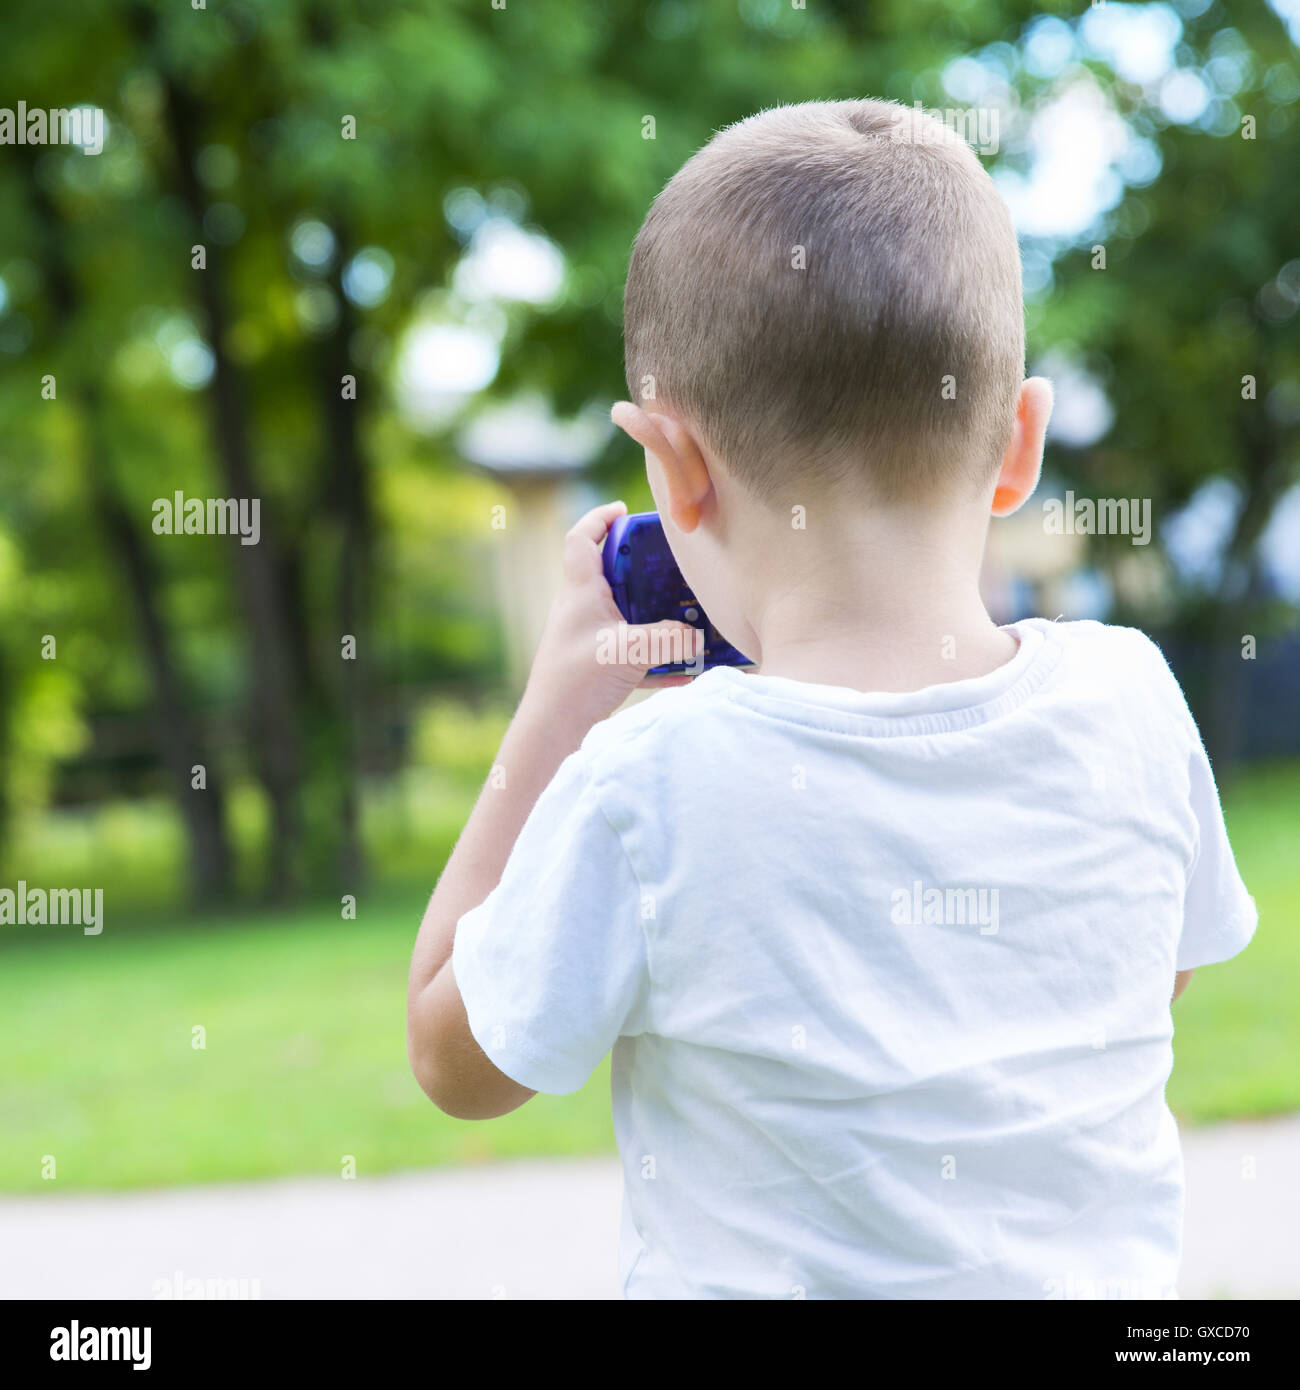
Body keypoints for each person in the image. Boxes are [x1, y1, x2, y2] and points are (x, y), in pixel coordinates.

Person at [407, 99, 1256, 1299]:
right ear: (1018, 444)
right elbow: (1145, 971)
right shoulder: (1133, 702)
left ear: (676, 468)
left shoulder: (648, 782)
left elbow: (453, 1055)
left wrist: (557, 705)